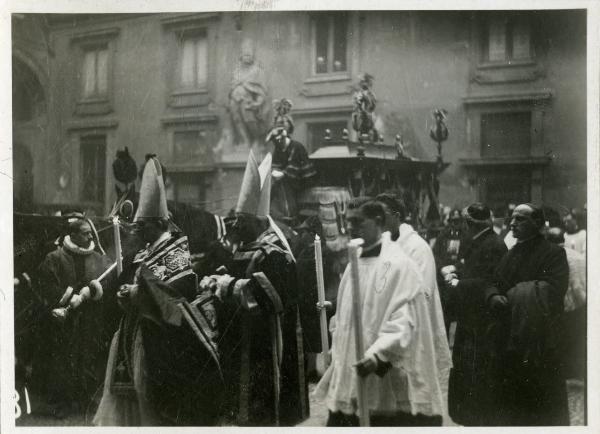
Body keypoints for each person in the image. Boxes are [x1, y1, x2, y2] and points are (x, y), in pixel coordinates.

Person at [94, 157, 222, 426]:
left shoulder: (177, 250)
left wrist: (137, 291)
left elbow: (178, 291)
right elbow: (136, 282)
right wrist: (125, 293)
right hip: (135, 329)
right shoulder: (145, 250)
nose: (138, 231)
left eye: (143, 226)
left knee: (149, 400)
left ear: (158, 224)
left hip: (160, 339)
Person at [314, 199, 445, 426]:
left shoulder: (399, 265)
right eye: (348, 222)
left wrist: (378, 355)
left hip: (384, 374)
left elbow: (405, 320)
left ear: (378, 222)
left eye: (357, 221)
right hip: (352, 372)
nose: (351, 227)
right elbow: (346, 318)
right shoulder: (353, 263)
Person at [200, 211, 309, 426]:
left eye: (242, 219)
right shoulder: (245, 247)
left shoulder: (274, 252)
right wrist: (217, 278)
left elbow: (268, 297)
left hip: (265, 341)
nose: (237, 225)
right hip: (240, 337)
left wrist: (225, 285)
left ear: (259, 220)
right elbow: (234, 275)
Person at [485, 203, 569, 426]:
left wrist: (512, 296)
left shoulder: (554, 254)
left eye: (520, 219)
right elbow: (494, 281)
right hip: (509, 342)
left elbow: (553, 290)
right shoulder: (510, 254)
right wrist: (492, 295)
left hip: (540, 344)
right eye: (512, 218)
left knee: (540, 410)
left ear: (538, 224)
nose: (512, 223)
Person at [376, 193, 451, 420]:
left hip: (414, 329)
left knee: (414, 393)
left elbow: (422, 293)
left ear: (396, 216)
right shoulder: (383, 245)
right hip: (388, 329)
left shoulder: (418, 248)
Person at [34, 217, 113, 418]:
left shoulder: (99, 259)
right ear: (73, 234)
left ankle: (85, 401)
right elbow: (45, 283)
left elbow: (109, 281)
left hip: (90, 319)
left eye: (90, 233)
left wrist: (92, 292)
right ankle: (62, 403)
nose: (90, 236)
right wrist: (69, 297)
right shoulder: (55, 257)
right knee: (62, 359)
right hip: (63, 319)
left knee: (87, 357)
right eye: (85, 232)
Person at [441, 203, 508, 426]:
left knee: (477, 371)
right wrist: (456, 271)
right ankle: (470, 417)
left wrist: (458, 283)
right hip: (472, 317)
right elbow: (476, 273)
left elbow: (491, 281)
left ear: (470, 224)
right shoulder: (482, 240)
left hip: (483, 320)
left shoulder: (492, 244)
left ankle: (477, 419)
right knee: (469, 368)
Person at [546, 227, 586, 380]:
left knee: (563, 341)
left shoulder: (552, 258)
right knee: (576, 340)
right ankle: (575, 371)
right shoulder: (578, 257)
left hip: (562, 306)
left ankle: (565, 371)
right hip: (580, 305)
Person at [268, 98, 316, 225]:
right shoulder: (278, 149)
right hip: (282, 182)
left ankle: (289, 216)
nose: (277, 140)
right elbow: (275, 165)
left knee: (283, 186)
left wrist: (281, 174)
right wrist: (274, 172)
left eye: (282, 128)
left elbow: (292, 169)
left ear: (288, 130)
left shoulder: (296, 147)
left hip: (299, 183)